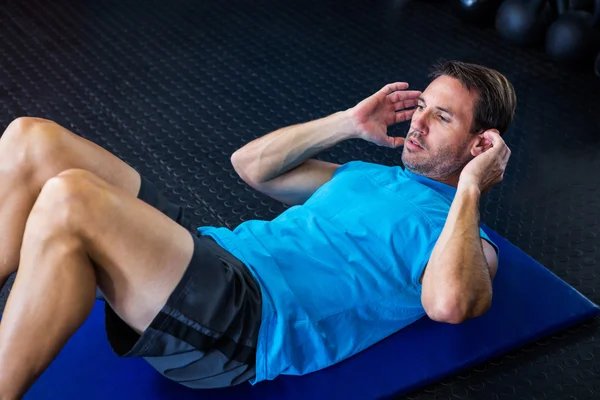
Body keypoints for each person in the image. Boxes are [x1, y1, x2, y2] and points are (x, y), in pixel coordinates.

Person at [0, 60, 515, 397]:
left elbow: (448, 304)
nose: (417, 123)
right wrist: (346, 124)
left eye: (442, 117)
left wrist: (471, 187)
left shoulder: (465, 241)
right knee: (32, 138)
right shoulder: (366, 176)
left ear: (480, 144)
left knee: (70, 198)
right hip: (208, 256)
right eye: (421, 106)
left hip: (247, 319)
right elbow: (250, 164)